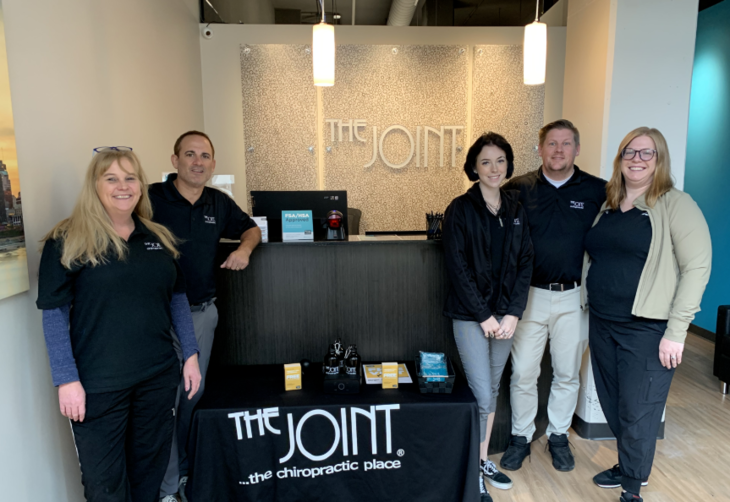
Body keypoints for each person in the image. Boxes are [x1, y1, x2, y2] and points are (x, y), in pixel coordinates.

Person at [36, 148, 202, 502]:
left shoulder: (157, 236)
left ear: (141, 186)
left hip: (157, 378)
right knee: (104, 485)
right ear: (94, 185)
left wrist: (190, 354)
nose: (122, 186)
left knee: (148, 475)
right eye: (111, 178)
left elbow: (177, 298)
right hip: (98, 385)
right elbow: (54, 314)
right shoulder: (67, 239)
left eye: (130, 178)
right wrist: (66, 380)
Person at [582, 127, 711, 502]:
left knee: (639, 409)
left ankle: (632, 488)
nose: (636, 159)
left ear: (660, 160)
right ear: (620, 158)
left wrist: (677, 332)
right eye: (629, 152)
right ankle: (628, 465)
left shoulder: (675, 204)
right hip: (603, 321)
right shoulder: (610, 205)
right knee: (613, 403)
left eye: (646, 153)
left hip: (647, 329)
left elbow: (697, 268)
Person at [150, 131, 261, 502]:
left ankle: (180, 472)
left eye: (205, 156)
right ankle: (167, 488)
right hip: (156, 320)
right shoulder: (149, 198)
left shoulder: (218, 202)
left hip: (200, 314)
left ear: (213, 164)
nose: (198, 162)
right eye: (190, 154)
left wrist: (244, 250)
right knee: (164, 403)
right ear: (175, 160)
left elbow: (251, 229)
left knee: (190, 398)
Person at [500, 119, 606, 472]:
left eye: (566, 143)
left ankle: (558, 436)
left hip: (575, 298)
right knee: (523, 373)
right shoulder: (518, 188)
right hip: (528, 297)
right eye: (552, 143)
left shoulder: (597, 190)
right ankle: (521, 436)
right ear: (540, 148)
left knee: (567, 373)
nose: (558, 150)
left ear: (577, 149)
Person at [443, 132, 534, 502]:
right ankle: (472, 472)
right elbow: (457, 267)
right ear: (474, 168)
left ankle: (481, 461)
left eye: (500, 161)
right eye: (485, 162)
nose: (494, 168)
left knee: (492, 391)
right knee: (481, 394)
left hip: (505, 319)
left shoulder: (516, 208)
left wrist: (513, 313)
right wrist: (484, 316)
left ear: (507, 164)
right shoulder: (460, 209)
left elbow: (526, 262)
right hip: (471, 317)